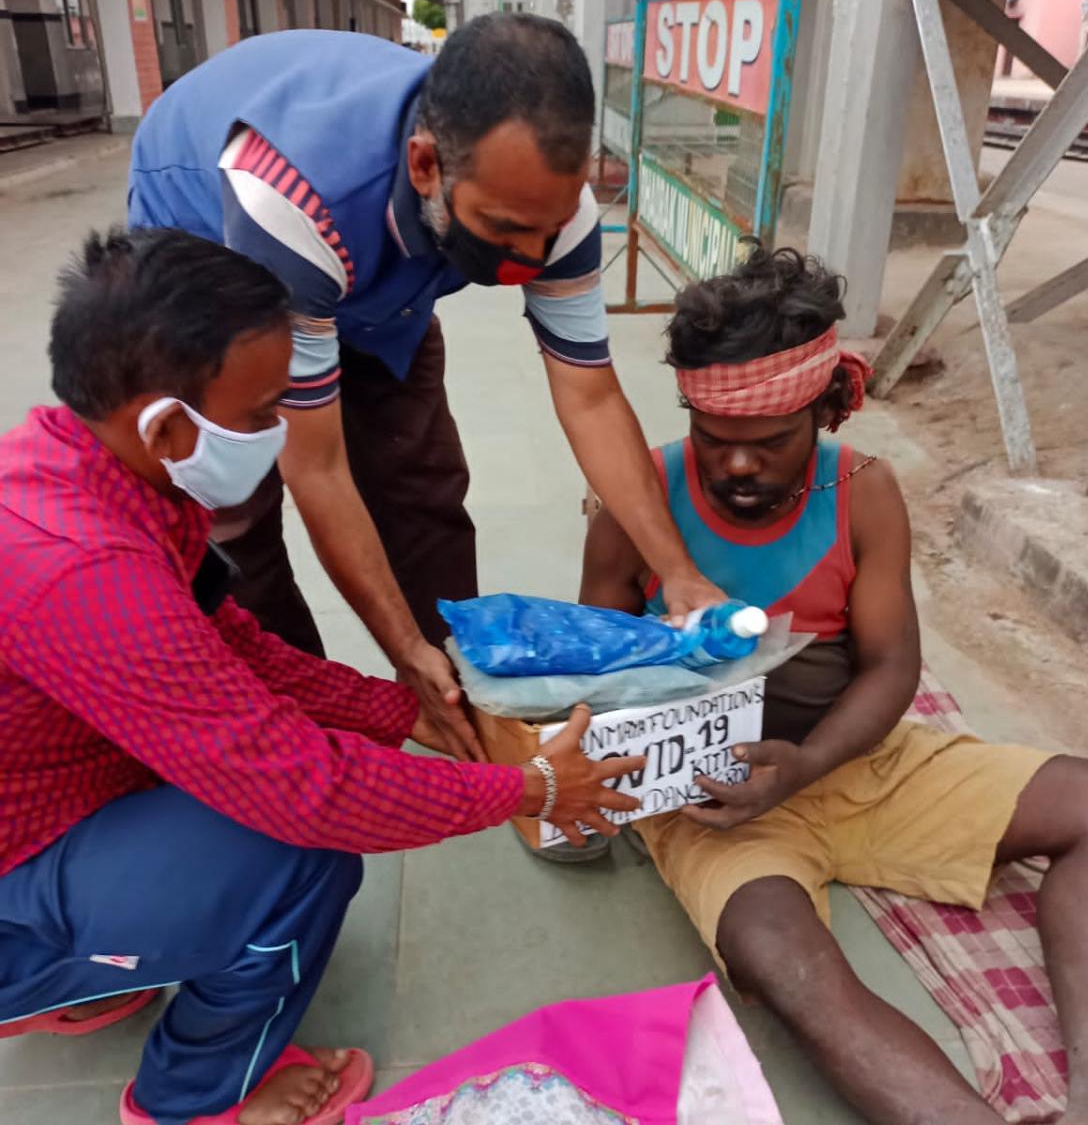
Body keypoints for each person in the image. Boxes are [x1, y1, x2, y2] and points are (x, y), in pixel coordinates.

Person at [0, 228, 645, 1125]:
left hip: (48, 801)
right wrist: (528, 789)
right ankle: (193, 1096)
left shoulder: (84, 465)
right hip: (21, 860)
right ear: (167, 425)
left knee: (238, 787)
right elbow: (307, 790)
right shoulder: (88, 574)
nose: (279, 431)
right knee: (297, 858)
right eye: (261, 411)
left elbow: (231, 648)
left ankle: (78, 964)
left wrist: (399, 710)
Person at [580, 244, 1088, 1125]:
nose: (738, 466)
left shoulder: (863, 492)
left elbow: (891, 667)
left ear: (826, 410)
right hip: (713, 799)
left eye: (771, 444)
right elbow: (595, 668)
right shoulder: (638, 497)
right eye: (714, 440)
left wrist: (804, 764)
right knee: (776, 955)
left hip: (852, 759)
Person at [127, 15, 723, 748]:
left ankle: (462, 689)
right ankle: (302, 726)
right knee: (237, 515)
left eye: (548, 230)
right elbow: (318, 467)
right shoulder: (292, 199)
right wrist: (403, 653)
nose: (530, 257)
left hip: (362, 262)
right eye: (503, 229)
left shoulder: (548, 207)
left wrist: (677, 572)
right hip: (211, 243)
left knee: (419, 476)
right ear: (425, 166)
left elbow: (590, 394)